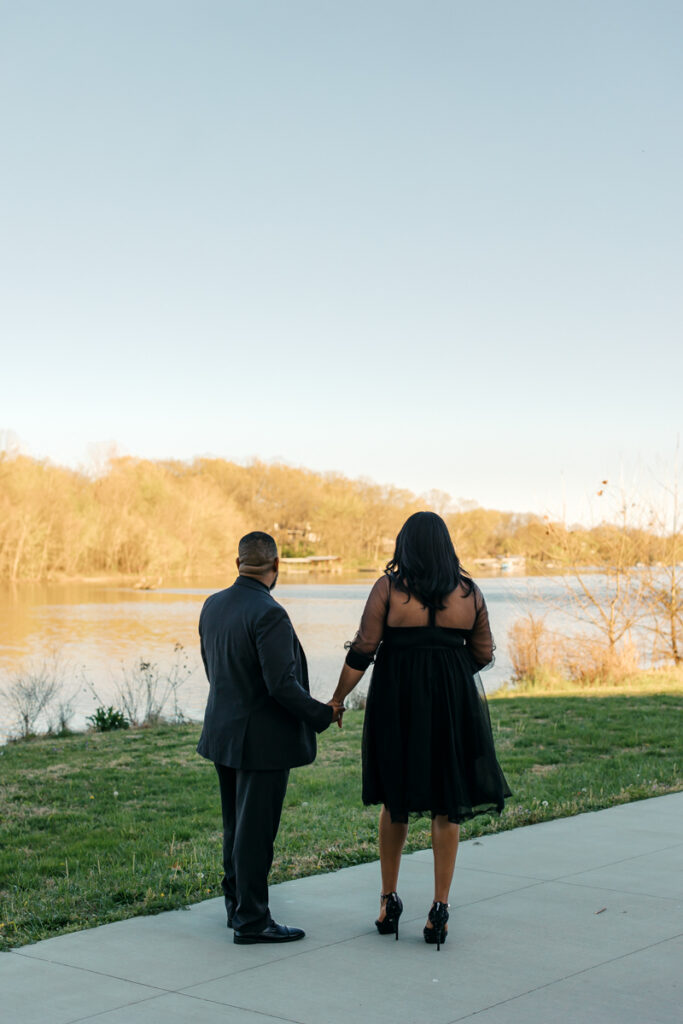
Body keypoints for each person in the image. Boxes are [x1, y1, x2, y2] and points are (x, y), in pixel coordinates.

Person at [330, 511, 511, 950]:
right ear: (446, 546)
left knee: (396, 798)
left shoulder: (388, 589)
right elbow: (483, 652)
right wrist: (449, 675)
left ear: (404, 546)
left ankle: (389, 900)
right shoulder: (470, 593)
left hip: (397, 703)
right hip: (452, 706)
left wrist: (337, 698)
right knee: (447, 802)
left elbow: (363, 650)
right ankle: (439, 909)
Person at [197, 531, 343, 944]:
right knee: (255, 833)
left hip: (222, 733)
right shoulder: (269, 614)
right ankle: (253, 921)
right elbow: (281, 684)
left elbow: (215, 668)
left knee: (235, 828)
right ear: (276, 566)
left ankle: (237, 907)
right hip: (260, 741)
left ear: (237, 562)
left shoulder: (212, 605)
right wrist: (323, 714)